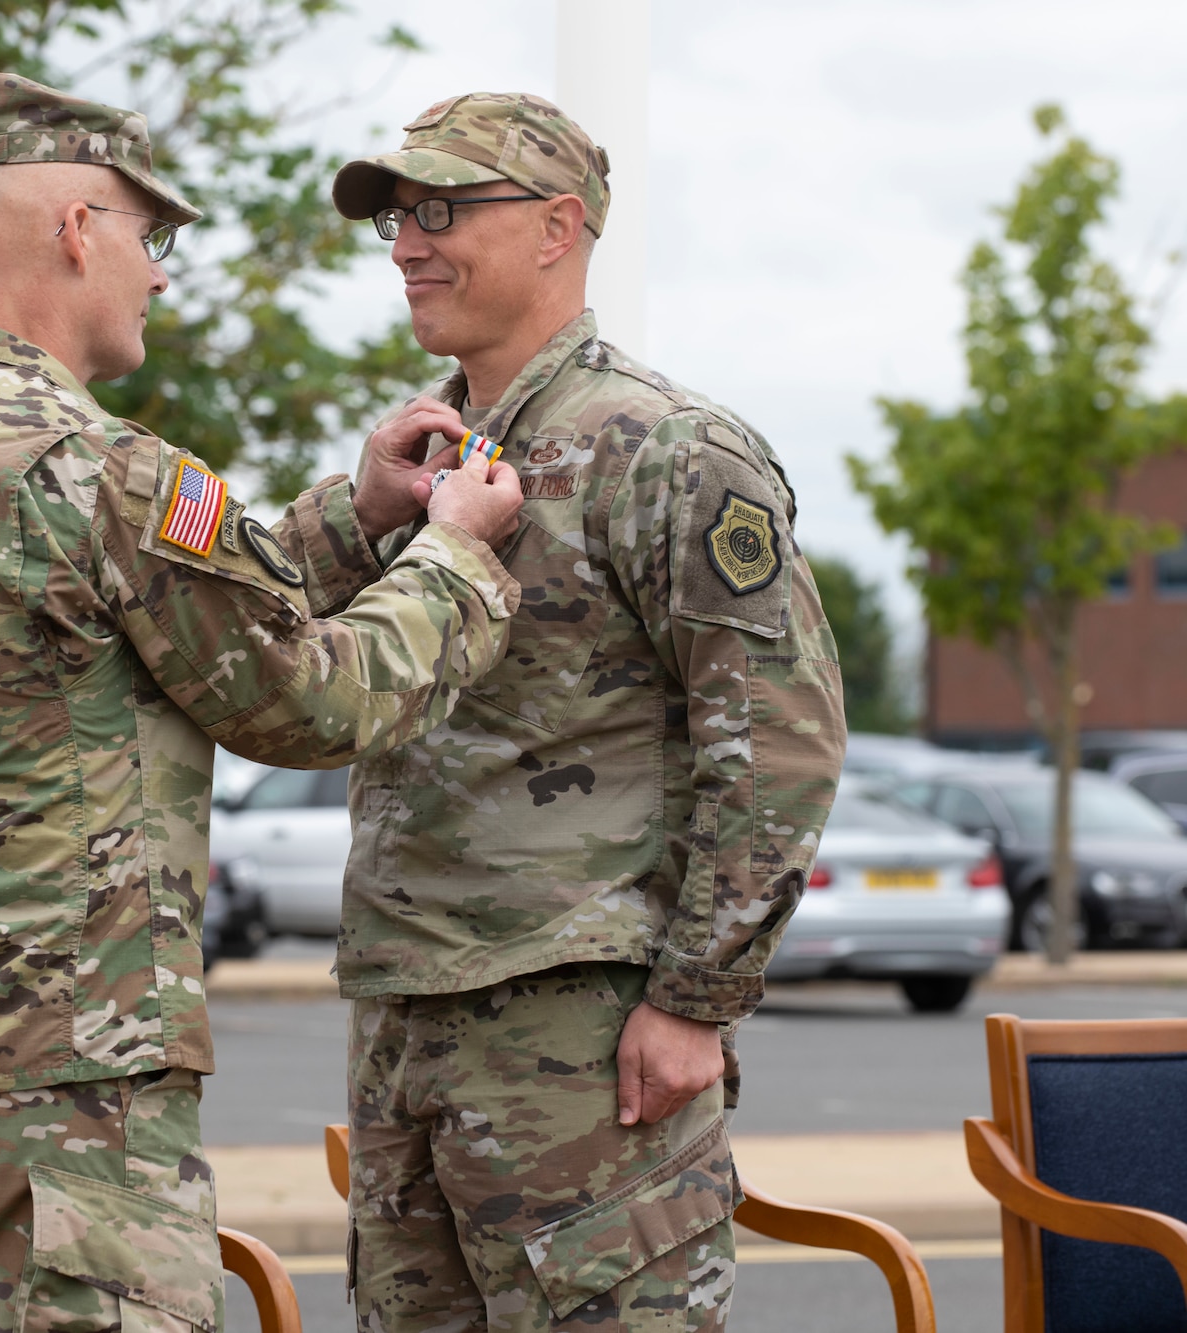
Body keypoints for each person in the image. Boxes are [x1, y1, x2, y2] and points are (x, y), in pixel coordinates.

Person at [0, 72, 529, 1333]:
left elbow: (150, 632)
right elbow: (301, 701)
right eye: (153, 236)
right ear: (78, 230)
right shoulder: (103, 472)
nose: (160, 274)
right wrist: (455, 555)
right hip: (63, 1070)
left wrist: (350, 517)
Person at [293, 93, 850, 1330]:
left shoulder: (666, 450)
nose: (403, 244)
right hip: (407, 1008)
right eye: (394, 216)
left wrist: (694, 999)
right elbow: (273, 647)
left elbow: (777, 742)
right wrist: (361, 511)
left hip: (581, 1026)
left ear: (557, 227)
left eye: (439, 209)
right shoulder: (428, 461)